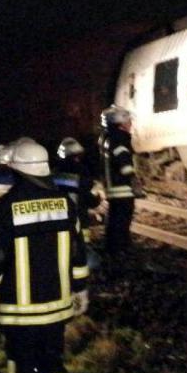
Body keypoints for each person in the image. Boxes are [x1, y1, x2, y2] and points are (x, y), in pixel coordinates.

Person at [0, 138, 87, 373]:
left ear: (16, 170)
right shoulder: (65, 204)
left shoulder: (4, 207)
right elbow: (78, 252)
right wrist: (81, 289)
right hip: (58, 308)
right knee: (53, 364)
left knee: (21, 368)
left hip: (20, 312)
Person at [53, 137, 98, 288]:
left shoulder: (54, 172)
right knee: (81, 249)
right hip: (78, 218)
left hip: (58, 219)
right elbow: (87, 196)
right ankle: (80, 281)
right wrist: (96, 200)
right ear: (77, 155)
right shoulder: (81, 171)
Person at [98, 105, 141, 255]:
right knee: (121, 223)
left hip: (112, 190)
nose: (131, 124)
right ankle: (119, 251)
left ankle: (112, 250)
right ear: (120, 123)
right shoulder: (120, 139)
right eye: (128, 120)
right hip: (122, 190)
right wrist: (133, 180)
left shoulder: (107, 138)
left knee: (114, 222)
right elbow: (124, 163)